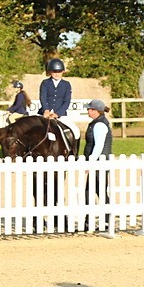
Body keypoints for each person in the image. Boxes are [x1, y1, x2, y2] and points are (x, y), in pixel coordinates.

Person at [83, 99, 113, 232]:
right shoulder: (97, 123)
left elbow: (98, 146)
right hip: (98, 163)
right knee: (95, 192)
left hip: (99, 163)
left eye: (90, 109)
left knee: (93, 192)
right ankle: (101, 221)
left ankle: (102, 221)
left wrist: (91, 162)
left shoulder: (99, 125)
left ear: (96, 111)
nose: (88, 111)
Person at [38, 58, 80, 141]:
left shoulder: (66, 85)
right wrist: (46, 110)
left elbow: (66, 101)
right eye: (54, 72)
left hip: (61, 114)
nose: (57, 74)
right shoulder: (45, 83)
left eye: (59, 72)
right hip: (45, 113)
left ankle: (73, 151)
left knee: (75, 131)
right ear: (50, 72)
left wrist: (57, 114)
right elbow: (43, 97)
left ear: (63, 72)